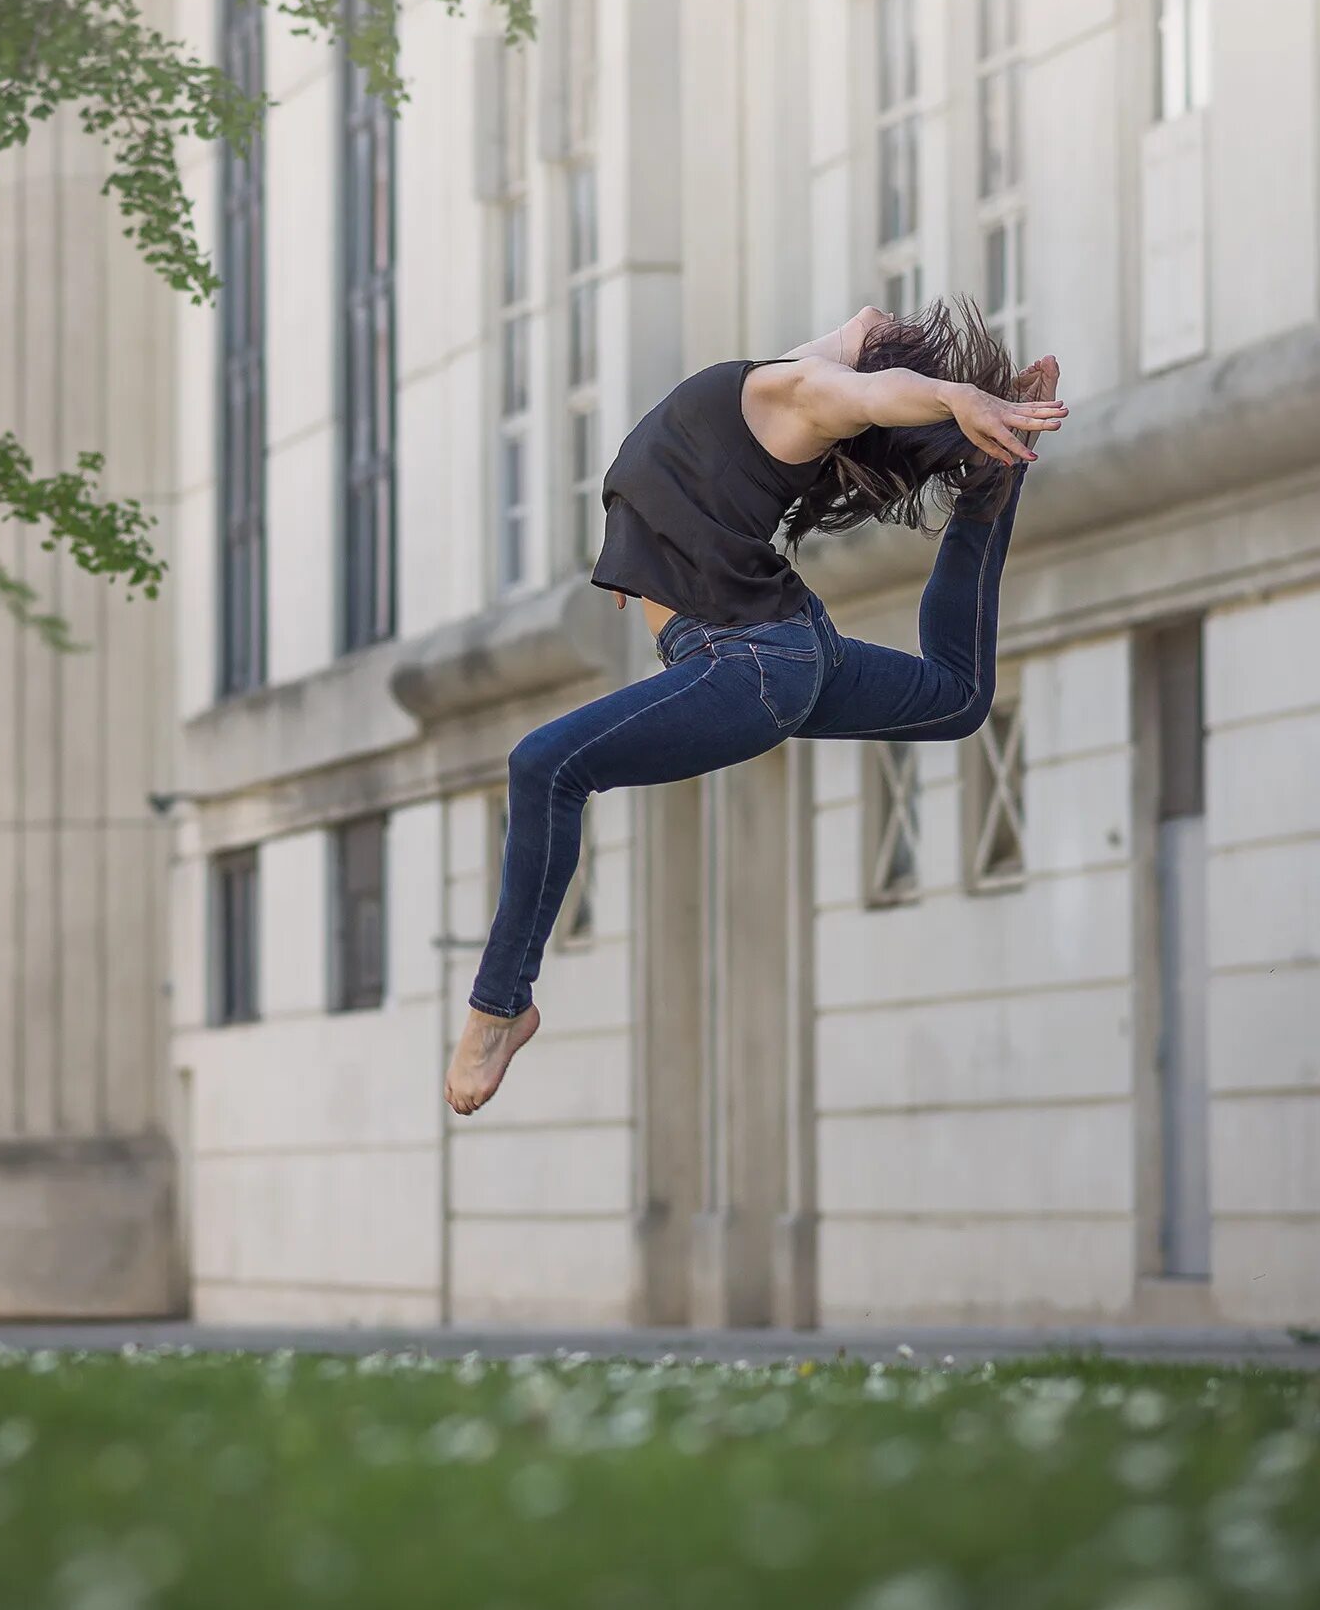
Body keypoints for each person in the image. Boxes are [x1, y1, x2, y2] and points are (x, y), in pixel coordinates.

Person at [443, 298, 1065, 1115]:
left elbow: (875, 399)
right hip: (785, 648)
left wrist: (954, 401)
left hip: (750, 663)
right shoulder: (798, 373)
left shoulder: (809, 393)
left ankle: (499, 1008)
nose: (872, 312)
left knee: (544, 765)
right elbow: (864, 352)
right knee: (956, 699)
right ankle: (996, 476)